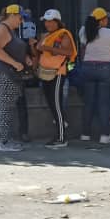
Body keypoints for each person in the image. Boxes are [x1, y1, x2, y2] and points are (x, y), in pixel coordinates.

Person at [0, 4, 29, 152]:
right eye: (20, 17)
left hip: (8, 74)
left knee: (8, 108)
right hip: (3, 73)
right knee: (5, 108)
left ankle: (7, 139)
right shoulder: (1, 29)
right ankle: (4, 142)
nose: (21, 21)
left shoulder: (9, 31)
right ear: (11, 15)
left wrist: (25, 60)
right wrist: (15, 63)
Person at [78, 7, 110, 145]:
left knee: (88, 102)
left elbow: (83, 52)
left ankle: (85, 134)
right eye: (106, 18)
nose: (107, 20)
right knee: (103, 103)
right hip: (105, 68)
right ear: (101, 20)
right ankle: (104, 135)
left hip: (87, 67)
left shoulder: (83, 31)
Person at [35, 9, 76, 148]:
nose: (48, 23)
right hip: (45, 73)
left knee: (57, 106)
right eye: (46, 21)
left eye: (51, 21)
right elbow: (39, 49)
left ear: (57, 21)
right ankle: (59, 134)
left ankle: (62, 138)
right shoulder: (47, 35)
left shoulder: (64, 35)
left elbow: (69, 52)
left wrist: (47, 48)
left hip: (57, 73)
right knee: (52, 105)